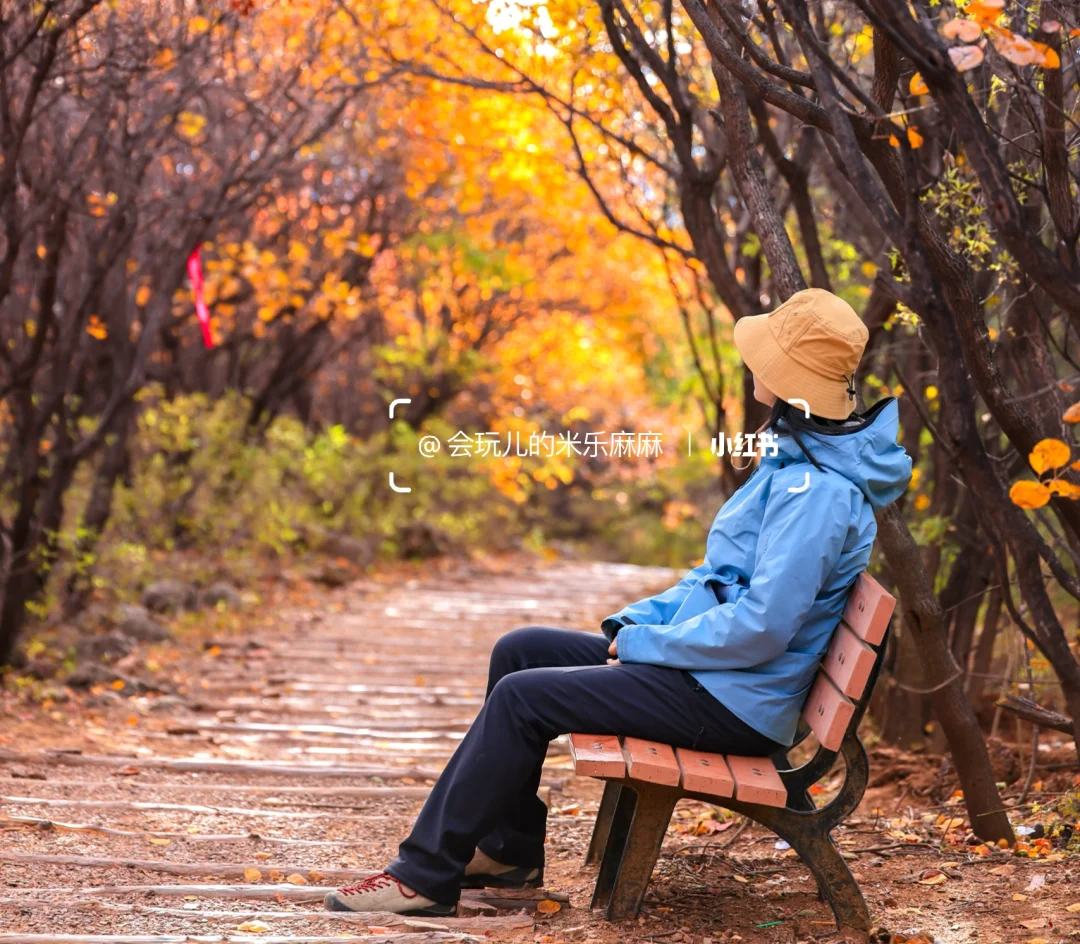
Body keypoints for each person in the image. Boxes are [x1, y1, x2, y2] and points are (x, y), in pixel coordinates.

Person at [324, 287, 912, 916]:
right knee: (521, 652)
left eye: (765, 360)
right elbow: (714, 578)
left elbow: (762, 629)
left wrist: (640, 647)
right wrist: (635, 623)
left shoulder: (817, 493)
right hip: (711, 677)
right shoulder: (795, 463)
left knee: (525, 700)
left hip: (732, 701)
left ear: (790, 383)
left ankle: (424, 874)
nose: (752, 368)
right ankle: (508, 849)